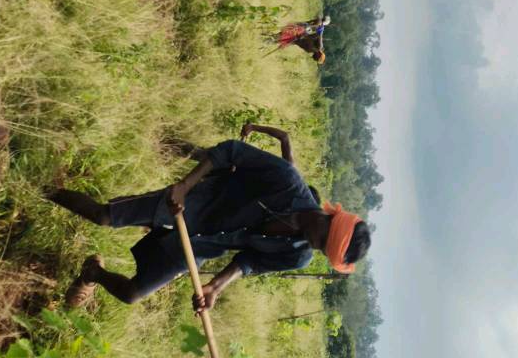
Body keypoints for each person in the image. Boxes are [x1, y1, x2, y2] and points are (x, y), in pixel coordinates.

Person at [44, 131, 369, 309]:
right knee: (103, 216)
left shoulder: (298, 256)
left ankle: (92, 273)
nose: (314, 245)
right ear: (329, 217)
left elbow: (249, 262)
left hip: (203, 245)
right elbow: (231, 151)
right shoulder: (286, 180)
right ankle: (46, 190)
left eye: (321, 249)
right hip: (190, 203)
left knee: (132, 294)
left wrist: (215, 286)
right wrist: (185, 187)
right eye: (322, 239)